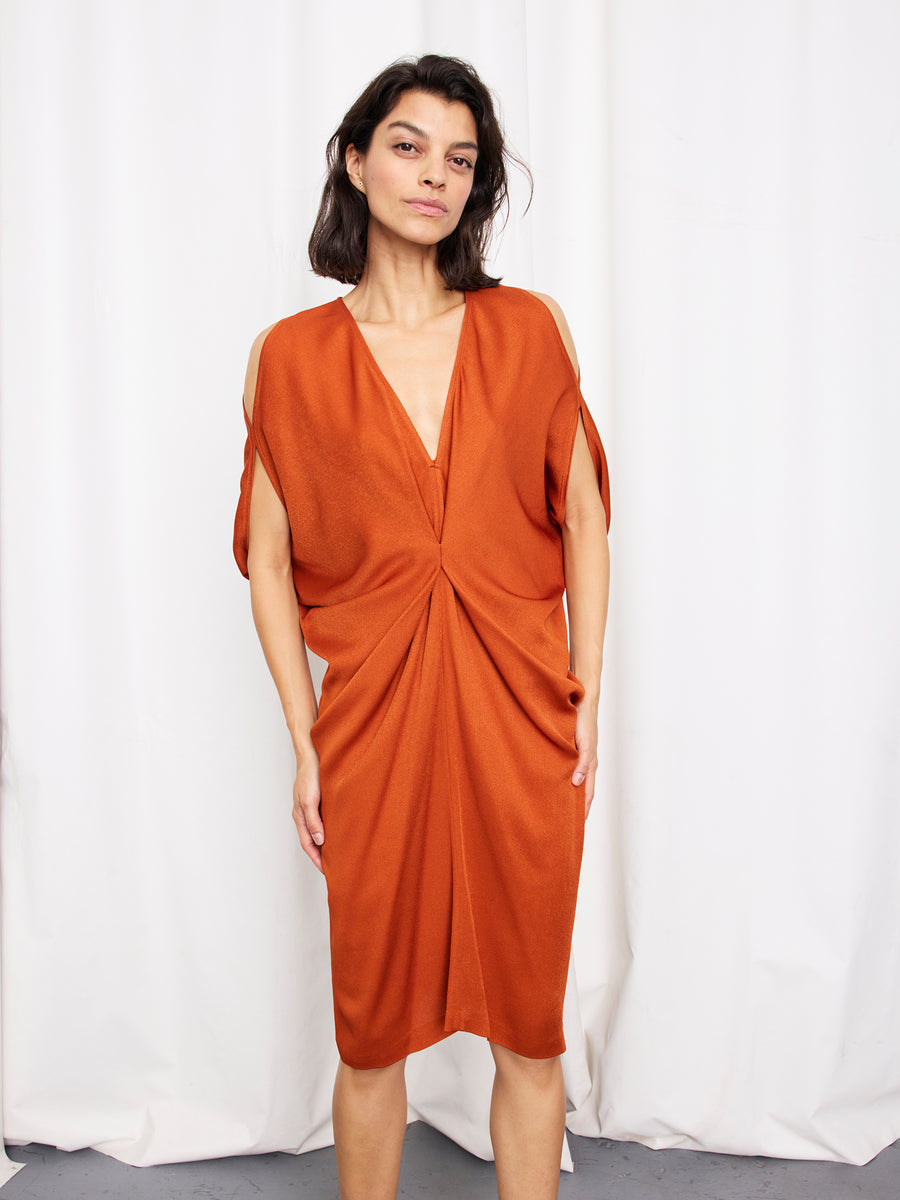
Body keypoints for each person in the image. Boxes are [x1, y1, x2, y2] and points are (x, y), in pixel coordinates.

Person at [233, 52, 611, 1200]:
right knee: (369, 1030)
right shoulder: (288, 357)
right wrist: (305, 739)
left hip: (521, 714)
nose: (434, 176)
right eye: (407, 146)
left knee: (531, 1025)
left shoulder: (529, 330)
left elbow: (586, 518)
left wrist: (583, 696)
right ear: (354, 161)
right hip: (372, 725)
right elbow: (267, 559)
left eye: (461, 158)